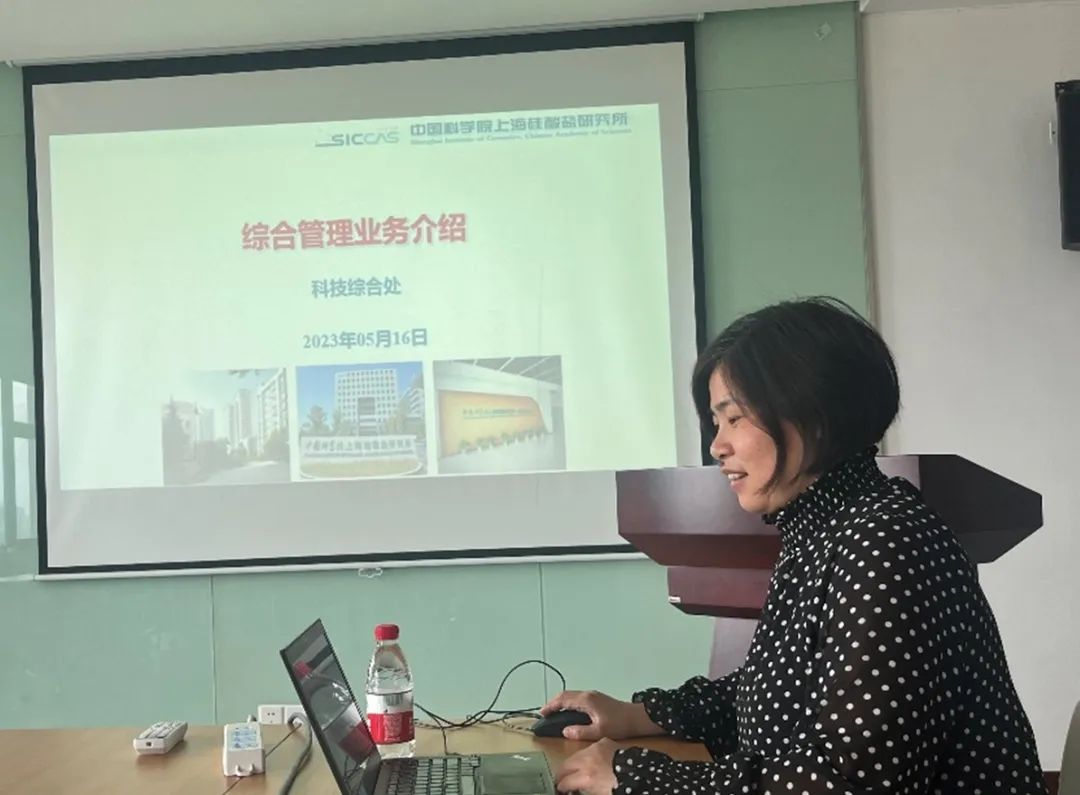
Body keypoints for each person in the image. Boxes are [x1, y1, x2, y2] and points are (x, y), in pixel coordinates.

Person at [544, 297, 1048, 795]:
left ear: (815, 413)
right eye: (716, 423)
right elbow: (774, 691)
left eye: (734, 418)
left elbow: (853, 782)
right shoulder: (821, 528)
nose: (717, 446)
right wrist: (638, 715)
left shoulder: (888, 540)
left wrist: (640, 777)